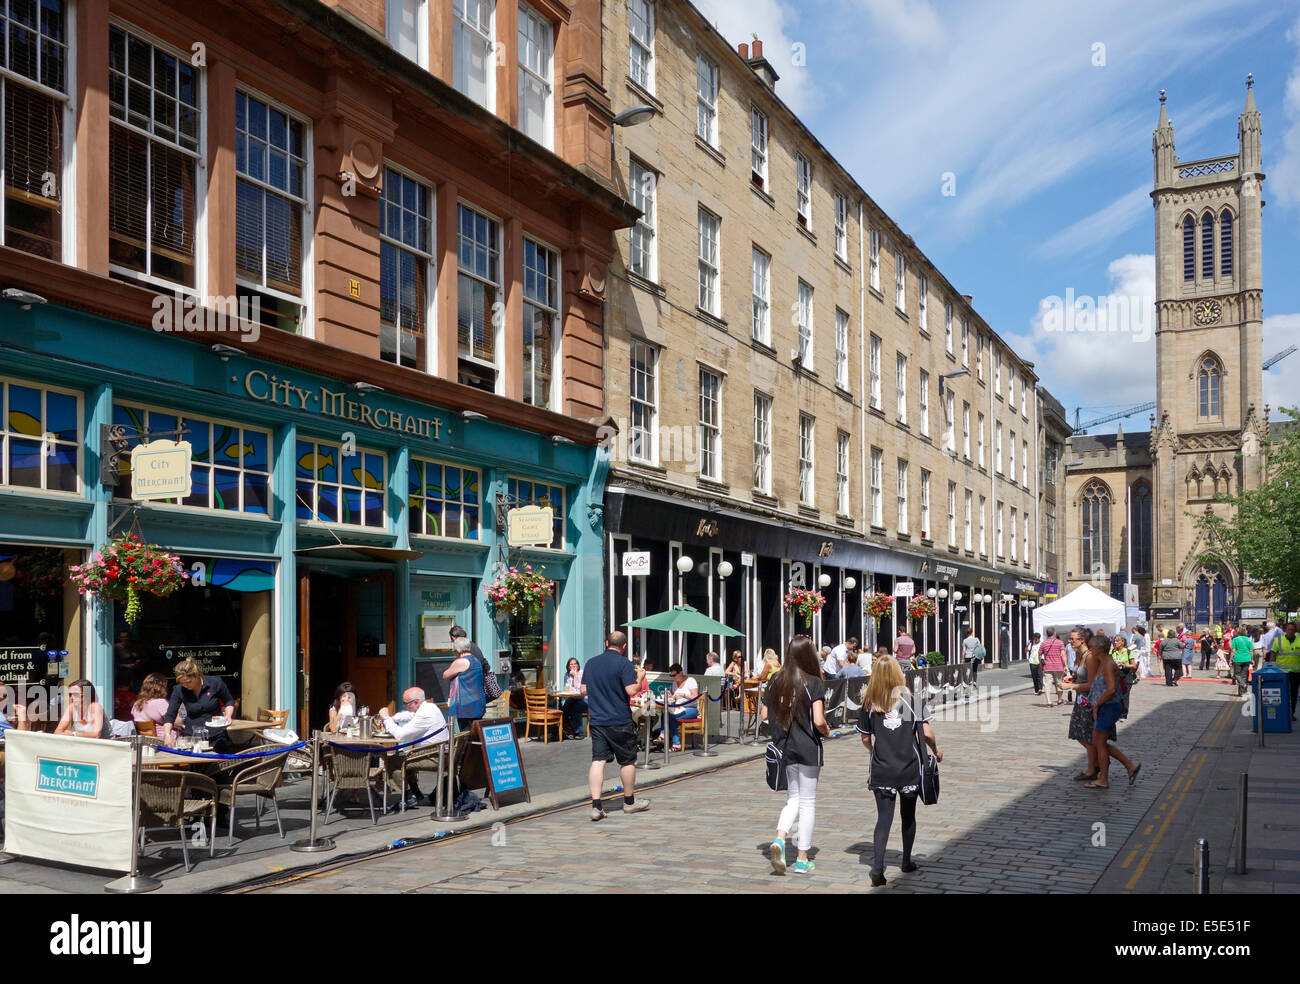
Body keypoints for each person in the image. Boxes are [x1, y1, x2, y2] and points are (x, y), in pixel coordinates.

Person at [857, 654, 941, 886]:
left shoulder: (869, 705)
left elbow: (865, 737)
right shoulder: (911, 701)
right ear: (898, 675)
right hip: (908, 767)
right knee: (908, 816)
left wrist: (873, 751)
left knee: (883, 819)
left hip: (882, 767)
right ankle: (906, 861)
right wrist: (936, 750)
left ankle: (877, 866)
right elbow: (926, 733)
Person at [763, 636, 828, 875]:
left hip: (787, 746)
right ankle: (802, 858)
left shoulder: (776, 680)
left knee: (793, 798)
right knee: (808, 802)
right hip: (809, 746)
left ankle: (780, 839)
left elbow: (763, 714)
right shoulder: (813, 682)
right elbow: (819, 720)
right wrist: (827, 730)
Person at [582, 631, 650, 821]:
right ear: (624, 646)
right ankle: (629, 802)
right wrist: (640, 677)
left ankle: (596, 806)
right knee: (627, 760)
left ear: (606, 643)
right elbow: (631, 690)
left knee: (598, 760)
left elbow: (583, 690)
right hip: (619, 719)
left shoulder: (591, 663)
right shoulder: (623, 663)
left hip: (597, 720)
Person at [1067, 634, 1140, 789]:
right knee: (1098, 743)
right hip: (1104, 706)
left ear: (1099, 649)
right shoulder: (1102, 661)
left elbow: (1111, 688)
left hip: (1108, 706)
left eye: (1092, 647)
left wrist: (1097, 704)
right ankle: (1128, 766)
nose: (1091, 650)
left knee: (1099, 743)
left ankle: (1105, 778)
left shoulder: (1107, 663)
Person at [164, 659, 234, 747]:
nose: (186, 685)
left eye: (189, 681)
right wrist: (167, 734)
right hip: (193, 736)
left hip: (217, 734)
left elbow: (229, 701)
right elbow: (170, 715)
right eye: (182, 683)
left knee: (221, 757)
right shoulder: (178, 690)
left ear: (197, 675)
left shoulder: (215, 683)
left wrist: (228, 715)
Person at [1063, 627, 1099, 780]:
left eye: (1072, 639)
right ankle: (1096, 763)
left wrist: (1070, 686)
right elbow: (1081, 676)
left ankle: (1093, 768)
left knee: (1087, 736)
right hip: (1081, 700)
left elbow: (1092, 684)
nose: (1070, 641)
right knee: (1080, 735)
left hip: (1089, 701)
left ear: (1082, 640)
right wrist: (1073, 678)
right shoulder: (1080, 654)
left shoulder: (1090, 656)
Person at [443, 635, 486, 732]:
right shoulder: (476, 660)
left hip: (466, 705)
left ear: (458, 650)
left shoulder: (461, 662)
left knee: (467, 735)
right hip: (477, 702)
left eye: (454, 650)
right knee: (476, 735)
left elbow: (445, 675)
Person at [652, 663, 699, 751]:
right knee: (665, 714)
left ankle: (666, 737)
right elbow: (676, 699)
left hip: (691, 709)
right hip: (678, 708)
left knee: (671, 717)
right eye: (671, 676)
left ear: (680, 672)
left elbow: (695, 697)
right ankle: (672, 741)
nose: (673, 677)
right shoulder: (675, 683)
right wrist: (671, 695)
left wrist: (682, 694)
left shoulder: (690, 680)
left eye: (674, 675)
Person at [1271, 622, 1300, 721]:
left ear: (1295, 630)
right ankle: (1282, 712)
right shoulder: (1278, 640)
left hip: (1296, 673)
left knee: (1294, 695)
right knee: (1282, 694)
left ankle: (1291, 714)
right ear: (1285, 630)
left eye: (1292, 629)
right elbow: (1273, 654)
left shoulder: (1299, 640)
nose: (1291, 631)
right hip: (1281, 673)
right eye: (1289, 629)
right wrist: (1272, 669)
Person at [1039, 627, 1068, 707]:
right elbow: (1063, 654)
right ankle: (1059, 699)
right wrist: (1065, 665)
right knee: (1059, 683)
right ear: (1054, 633)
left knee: (1047, 684)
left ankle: (1049, 702)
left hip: (1047, 667)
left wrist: (1041, 665)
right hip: (1058, 666)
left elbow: (1039, 655)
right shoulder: (1060, 642)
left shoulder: (1044, 643)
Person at [561, 656, 588, 738]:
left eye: (575, 664)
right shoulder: (567, 675)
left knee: (575, 708)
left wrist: (575, 675)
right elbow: (567, 688)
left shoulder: (582, 673)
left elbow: (580, 689)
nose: (573, 666)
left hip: (585, 699)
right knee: (564, 709)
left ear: (578, 665)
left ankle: (578, 732)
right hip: (573, 698)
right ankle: (565, 730)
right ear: (568, 666)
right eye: (571, 664)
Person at [1229, 628, 1254, 696]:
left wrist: (1231, 659)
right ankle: (1242, 692)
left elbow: (1233, 651)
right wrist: (1252, 659)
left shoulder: (1235, 639)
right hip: (1247, 659)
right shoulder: (1248, 640)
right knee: (1243, 676)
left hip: (1238, 659)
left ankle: (1243, 685)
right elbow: (1251, 651)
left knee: (1237, 674)